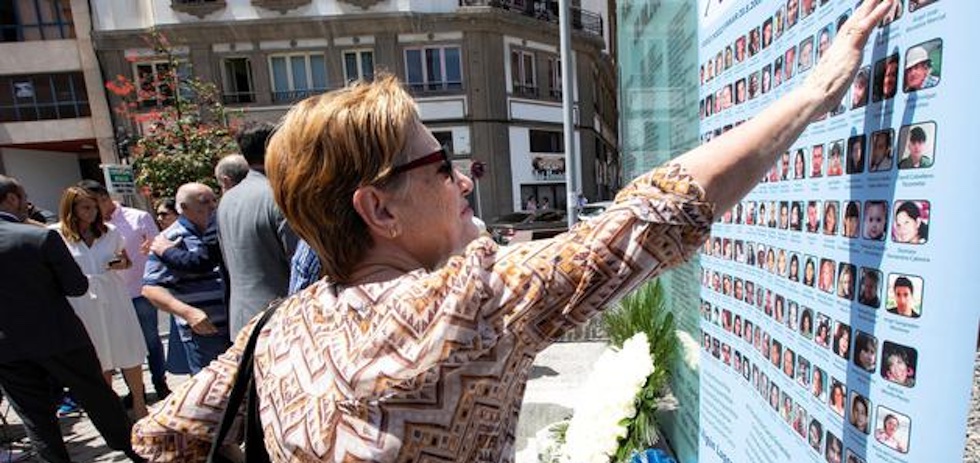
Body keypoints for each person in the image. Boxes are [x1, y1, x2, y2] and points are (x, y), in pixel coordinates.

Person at [130, 3, 897, 459]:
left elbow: (160, 434)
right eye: (440, 163)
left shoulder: (275, 332)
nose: (462, 180)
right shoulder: (461, 308)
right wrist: (813, 95)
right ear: (379, 210)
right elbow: (652, 214)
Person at [0, 176, 145, 463]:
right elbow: (76, 286)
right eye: (24, 197)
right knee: (98, 399)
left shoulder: (39, 235)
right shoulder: (39, 237)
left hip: (7, 347)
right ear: (12, 199)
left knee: (35, 416)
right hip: (59, 337)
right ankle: (137, 453)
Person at [51, 187, 150, 419]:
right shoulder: (56, 235)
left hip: (113, 295)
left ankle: (139, 401)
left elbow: (126, 261)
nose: (93, 212)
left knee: (127, 348)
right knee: (98, 355)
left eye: (95, 206)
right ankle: (112, 407)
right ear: (71, 209)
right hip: (81, 301)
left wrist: (120, 263)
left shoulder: (110, 231)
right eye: (86, 207)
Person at [77, 180, 171, 404]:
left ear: (105, 198)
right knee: (118, 344)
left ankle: (160, 382)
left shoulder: (137, 217)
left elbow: (156, 248)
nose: (93, 209)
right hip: (107, 297)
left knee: (149, 341)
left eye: (95, 203)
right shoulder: (91, 228)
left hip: (139, 290)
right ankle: (135, 391)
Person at [217, 123, 299, 336]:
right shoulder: (280, 197)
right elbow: (301, 266)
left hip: (241, 320)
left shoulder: (227, 199)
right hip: (280, 322)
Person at [142, 183, 231, 374]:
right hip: (204, 333)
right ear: (183, 208)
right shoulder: (169, 240)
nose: (212, 206)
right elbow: (150, 289)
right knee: (212, 394)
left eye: (213, 200)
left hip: (235, 326)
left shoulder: (222, 230)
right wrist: (188, 313)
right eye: (204, 202)